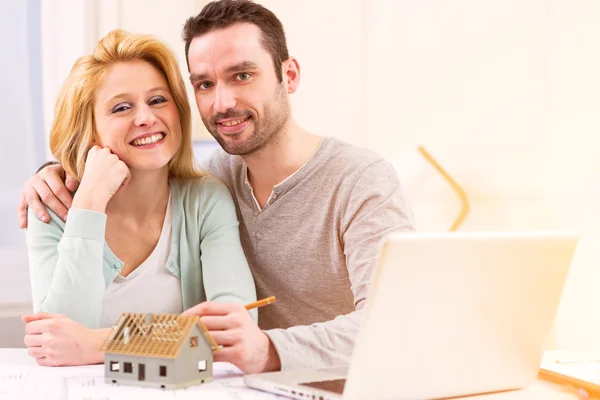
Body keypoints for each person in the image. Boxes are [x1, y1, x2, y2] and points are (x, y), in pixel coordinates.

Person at [18, 0, 414, 373]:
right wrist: (62, 179)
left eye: (242, 75)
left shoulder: (360, 181)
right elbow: (58, 338)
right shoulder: (217, 176)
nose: (223, 102)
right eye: (205, 84)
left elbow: (396, 326)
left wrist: (266, 349)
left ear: (288, 75)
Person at [20, 29, 256, 367]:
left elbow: (235, 331)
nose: (145, 118)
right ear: (89, 128)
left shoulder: (205, 202)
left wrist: (98, 344)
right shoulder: (51, 208)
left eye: (158, 100)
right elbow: (58, 342)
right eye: (121, 107)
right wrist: (87, 206)